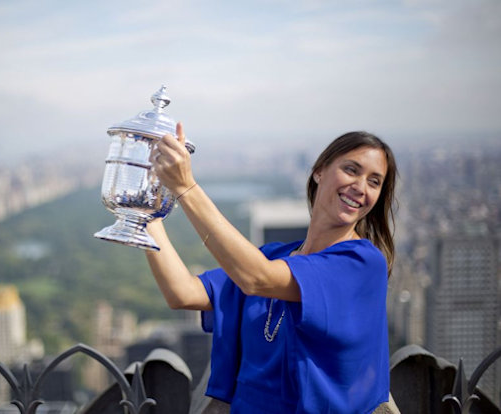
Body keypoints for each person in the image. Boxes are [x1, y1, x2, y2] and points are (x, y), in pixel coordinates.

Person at [144, 122, 398, 413]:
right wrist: (147, 217)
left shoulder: (361, 263)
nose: (360, 187)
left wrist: (185, 187)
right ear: (319, 171)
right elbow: (182, 293)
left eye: (374, 181)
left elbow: (256, 278)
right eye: (351, 170)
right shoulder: (275, 257)